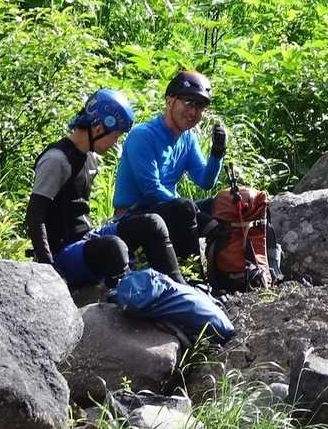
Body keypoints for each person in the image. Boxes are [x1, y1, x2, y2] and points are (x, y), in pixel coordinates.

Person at [26, 89, 183, 287]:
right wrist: (47, 265)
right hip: (62, 253)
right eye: (116, 136)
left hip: (87, 238)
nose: (116, 142)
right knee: (113, 247)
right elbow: (35, 215)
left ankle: (179, 288)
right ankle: (128, 294)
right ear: (99, 129)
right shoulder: (57, 160)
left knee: (152, 223)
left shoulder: (89, 157)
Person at [112, 69, 227, 260]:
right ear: (170, 101)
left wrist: (217, 153)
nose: (193, 112)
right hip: (132, 219)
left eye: (200, 106)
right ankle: (193, 273)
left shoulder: (188, 138)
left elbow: (205, 182)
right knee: (184, 208)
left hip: (171, 211)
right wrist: (195, 212)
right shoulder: (143, 135)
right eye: (189, 103)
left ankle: (234, 268)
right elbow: (151, 189)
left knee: (225, 201)